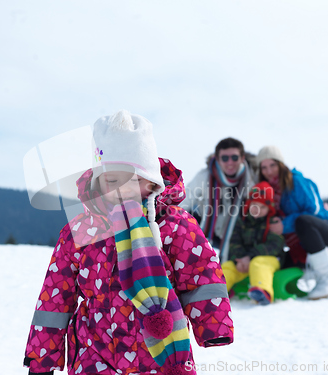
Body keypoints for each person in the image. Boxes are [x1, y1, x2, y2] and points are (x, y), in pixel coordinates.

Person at [24, 110, 234, 375]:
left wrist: (213, 325)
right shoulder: (81, 230)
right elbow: (56, 296)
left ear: (154, 181)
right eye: (113, 180)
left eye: (135, 180)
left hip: (158, 350)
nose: (123, 189)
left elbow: (200, 275)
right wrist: (42, 356)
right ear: (98, 181)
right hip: (94, 350)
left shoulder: (174, 225)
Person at [256, 146, 328, 300]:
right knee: (280, 262)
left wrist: (284, 225)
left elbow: (315, 212)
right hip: (304, 247)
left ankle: (327, 279)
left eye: (272, 165)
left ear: (281, 164)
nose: (269, 171)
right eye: (264, 167)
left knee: (303, 221)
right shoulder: (267, 193)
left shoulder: (296, 181)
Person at [181, 137, 256, 265]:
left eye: (235, 157)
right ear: (217, 158)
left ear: (242, 158)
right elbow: (185, 199)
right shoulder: (205, 176)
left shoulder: (251, 178)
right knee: (186, 218)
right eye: (225, 158)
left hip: (237, 231)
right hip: (209, 227)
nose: (230, 163)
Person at [221, 182, 285, 305]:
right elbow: (234, 243)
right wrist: (239, 259)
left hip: (269, 259)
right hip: (243, 261)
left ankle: (262, 291)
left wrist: (250, 257)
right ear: (248, 205)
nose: (258, 210)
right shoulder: (241, 222)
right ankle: (218, 290)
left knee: (258, 263)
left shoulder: (271, 223)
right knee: (228, 266)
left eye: (263, 207)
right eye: (255, 205)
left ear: (269, 209)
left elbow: (275, 245)